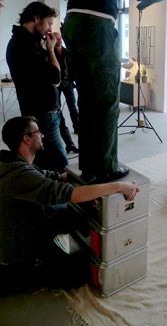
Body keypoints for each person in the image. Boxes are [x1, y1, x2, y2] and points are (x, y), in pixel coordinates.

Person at [0, 116, 139, 295]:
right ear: (27, 139)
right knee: (79, 273)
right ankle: (30, 280)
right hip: (18, 257)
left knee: (71, 216)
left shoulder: (11, 161)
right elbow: (71, 195)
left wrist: (77, 174)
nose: (42, 135)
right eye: (37, 132)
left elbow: (46, 177)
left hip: (24, 226)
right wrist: (119, 186)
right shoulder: (19, 175)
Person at [62, 0, 150, 184]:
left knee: (89, 100)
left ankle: (89, 166)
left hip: (75, 23)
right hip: (96, 24)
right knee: (108, 99)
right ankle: (107, 167)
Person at [6, 1, 68, 172]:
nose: (49, 28)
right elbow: (56, 78)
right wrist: (50, 50)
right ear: (37, 18)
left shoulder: (24, 42)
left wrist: (54, 49)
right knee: (61, 164)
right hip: (43, 111)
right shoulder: (25, 46)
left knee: (43, 158)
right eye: (48, 22)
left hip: (37, 109)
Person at [54, 30, 79, 135]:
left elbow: (73, 67)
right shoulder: (49, 53)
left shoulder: (67, 52)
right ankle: (61, 129)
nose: (59, 40)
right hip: (55, 85)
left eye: (60, 38)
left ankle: (77, 127)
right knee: (57, 107)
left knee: (72, 106)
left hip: (68, 83)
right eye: (57, 38)